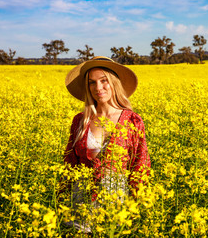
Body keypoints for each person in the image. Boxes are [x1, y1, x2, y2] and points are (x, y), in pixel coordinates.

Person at [63, 56, 150, 233]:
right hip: (80, 206)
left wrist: (138, 207)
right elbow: (69, 163)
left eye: (104, 81)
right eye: (92, 83)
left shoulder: (132, 120)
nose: (98, 88)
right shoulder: (80, 121)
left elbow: (140, 164)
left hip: (116, 207)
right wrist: (62, 200)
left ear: (114, 83)